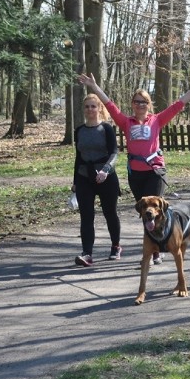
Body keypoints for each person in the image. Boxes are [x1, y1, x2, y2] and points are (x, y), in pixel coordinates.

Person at [78, 73, 190, 264]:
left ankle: (159, 249)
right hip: (136, 174)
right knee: (145, 213)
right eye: (137, 102)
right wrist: (94, 86)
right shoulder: (126, 122)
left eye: (144, 102)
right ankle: (152, 248)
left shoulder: (157, 120)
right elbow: (109, 105)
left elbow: (178, 105)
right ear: (132, 104)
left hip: (155, 171)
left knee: (156, 211)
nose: (140, 105)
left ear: (149, 105)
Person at [71, 94, 122, 267]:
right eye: (87, 107)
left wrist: (106, 170)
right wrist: (75, 182)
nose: (90, 110)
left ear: (99, 108)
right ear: (83, 109)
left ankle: (115, 246)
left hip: (106, 177)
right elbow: (78, 157)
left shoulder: (106, 129)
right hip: (85, 176)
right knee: (86, 216)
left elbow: (114, 153)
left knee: (110, 213)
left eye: (93, 106)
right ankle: (87, 253)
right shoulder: (79, 131)